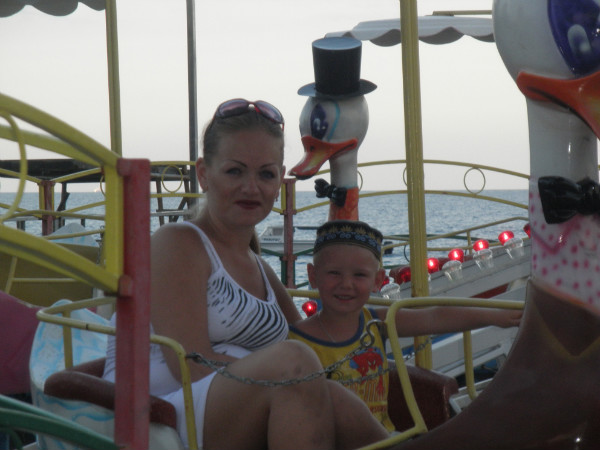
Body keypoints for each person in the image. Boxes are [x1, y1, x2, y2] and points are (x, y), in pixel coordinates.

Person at [103, 99, 388, 449]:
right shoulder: (178, 244)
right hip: (157, 415)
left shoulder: (259, 268)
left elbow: (311, 340)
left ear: (279, 181)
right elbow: (190, 365)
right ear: (204, 174)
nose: (251, 187)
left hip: (222, 409)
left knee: (332, 394)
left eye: (266, 174)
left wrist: (376, 324)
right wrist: (290, 373)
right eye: (235, 171)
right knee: (295, 364)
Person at [288, 220, 523, 431]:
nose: (346, 284)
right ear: (313, 275)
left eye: (359, 275)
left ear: (378, 281)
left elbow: (435, 317)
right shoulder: (296, 341)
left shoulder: (376, 322)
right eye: (334, 273)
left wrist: (496, 317)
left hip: (384, 437)